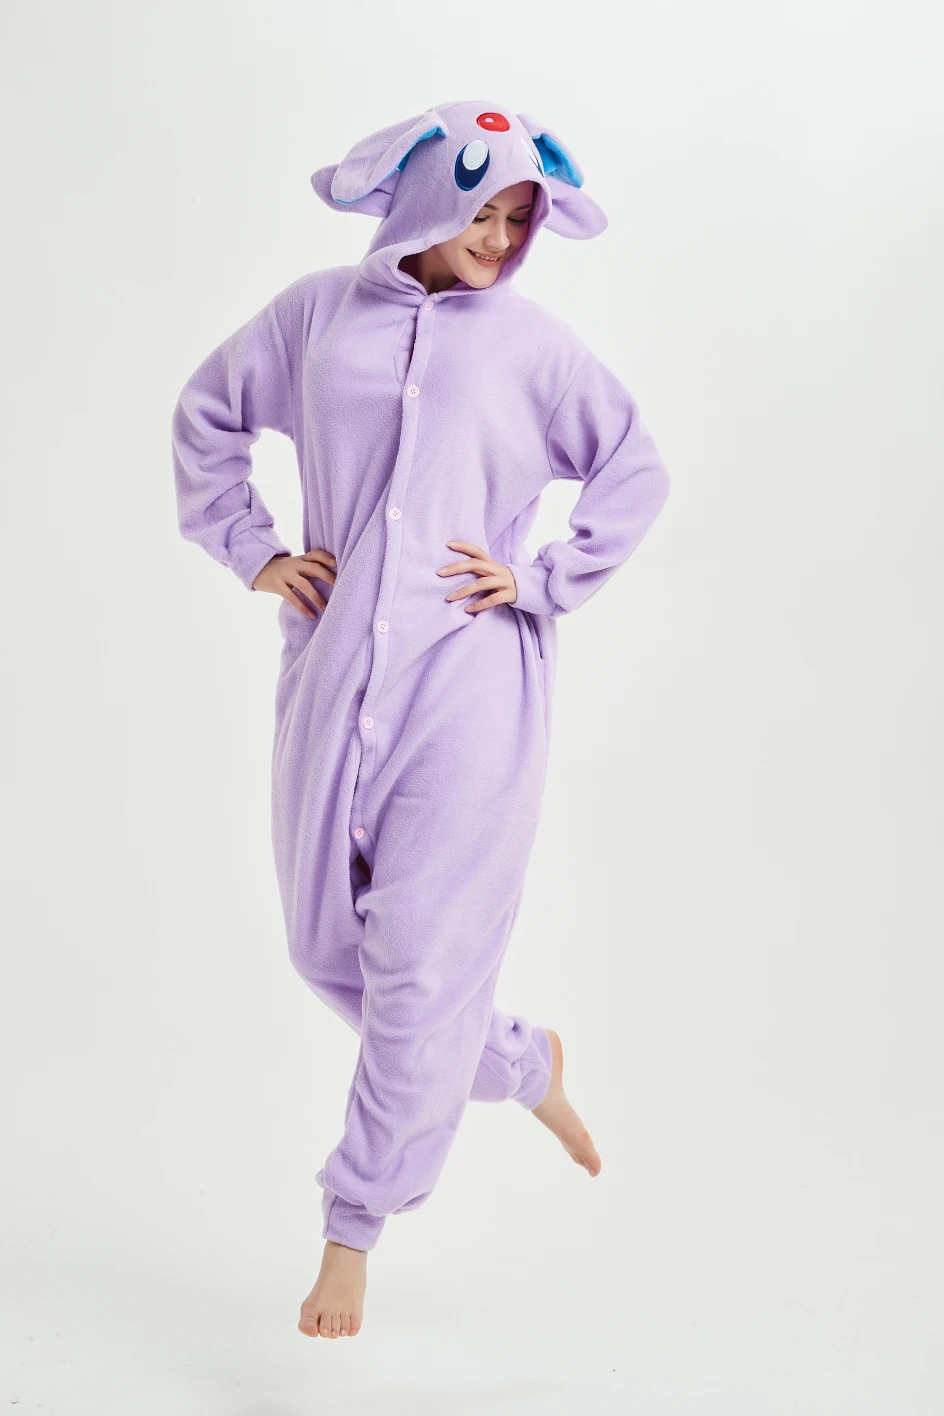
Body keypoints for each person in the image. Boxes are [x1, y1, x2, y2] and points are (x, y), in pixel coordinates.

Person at [171, 99, 670, 1341]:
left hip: (471, 681)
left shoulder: (533, 349)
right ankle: (513, 1061)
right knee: (321, 946)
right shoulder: (312, 318)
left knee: (419, 962)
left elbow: (634, 467)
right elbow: (205, 415)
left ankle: (352, 1228)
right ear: (424, 201)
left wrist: (543, 579)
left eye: (518, 219)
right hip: (332, 670)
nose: (499, 239)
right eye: (482, 211)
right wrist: (255, 552)